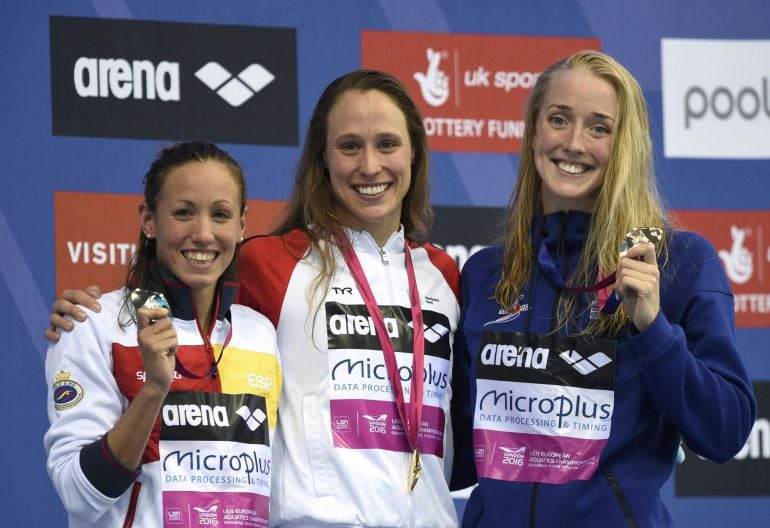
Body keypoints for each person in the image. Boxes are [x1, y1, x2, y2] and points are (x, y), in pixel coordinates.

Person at [46, 70, 465, 527]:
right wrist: (87, 310)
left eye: (387, 143)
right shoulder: (271, 262)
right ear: (322, 158)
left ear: (415, 152)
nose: (369, 165)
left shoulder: (442, 276)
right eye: (349, 146)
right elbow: (184, 283)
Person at [451, 50, 756, 527]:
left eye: (599, 128)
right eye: (558, 119)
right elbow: (456, 452)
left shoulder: (680, 264)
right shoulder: (487, 274)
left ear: (626, 145)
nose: (574, 143)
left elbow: (725, 431)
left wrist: (652, 327)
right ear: (534, 132)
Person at [44, 142, 282, 527]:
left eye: (220, 214)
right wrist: (155, 387)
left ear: (241, 226)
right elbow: (79, 495)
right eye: (183, 213)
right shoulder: (93, 325)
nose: (203, 233)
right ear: (148, 220)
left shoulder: (260, 334)